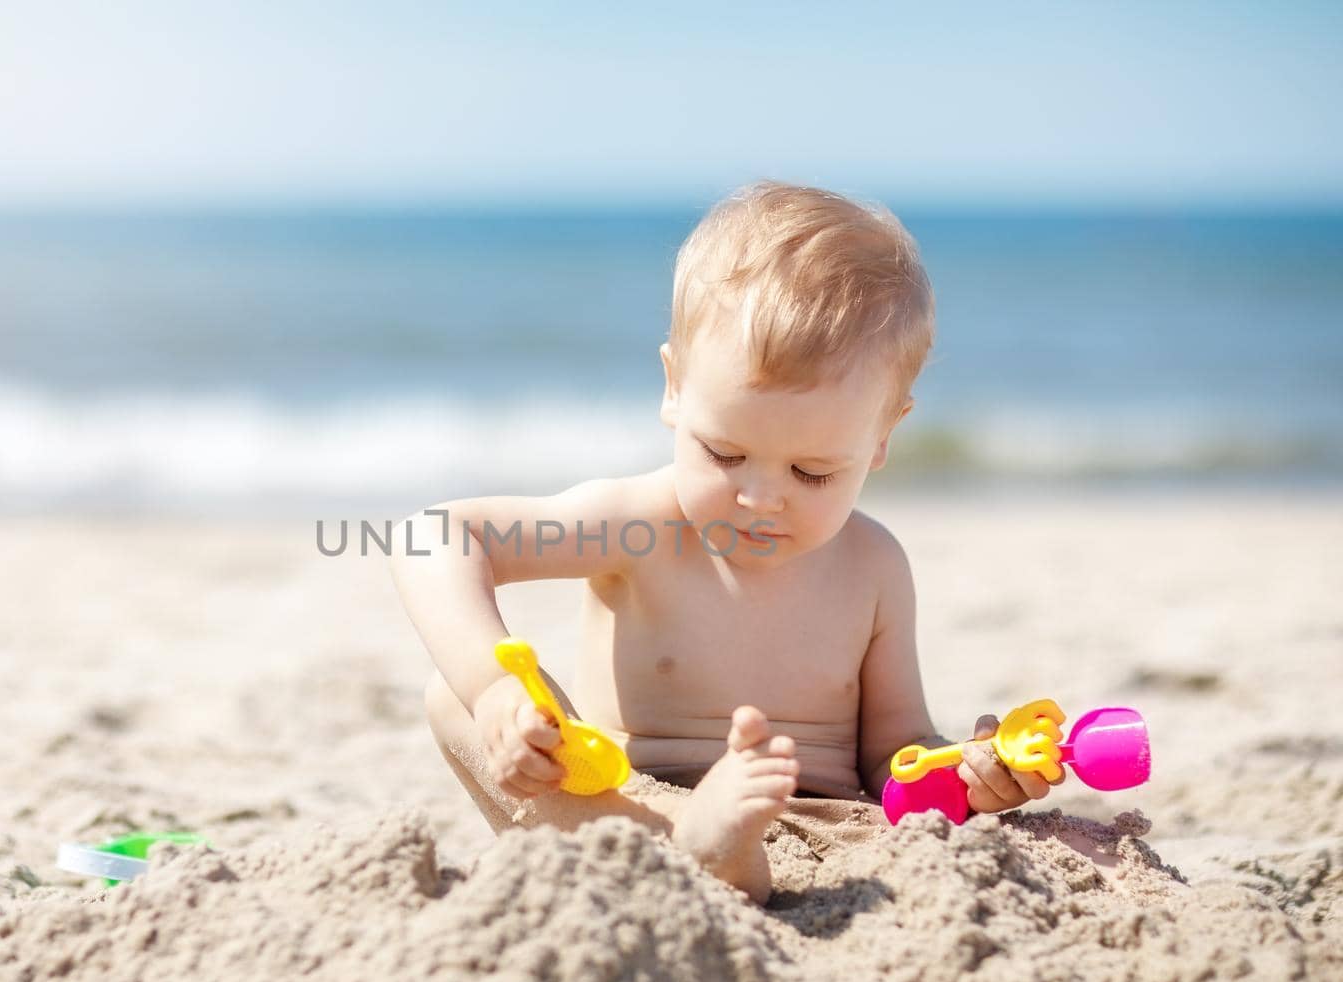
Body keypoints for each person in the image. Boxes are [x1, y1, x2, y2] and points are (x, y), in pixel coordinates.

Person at [389, 182, 1048, 904]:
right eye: (726, 455)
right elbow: (437, 532)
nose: (761, 497)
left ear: (883, 436)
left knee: (784, 818)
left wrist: (965, 776)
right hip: (628, 809)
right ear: (674, 388)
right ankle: (694, 843)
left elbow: (893, 758)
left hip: (825, 832)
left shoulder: (874, 565)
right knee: (449, 696)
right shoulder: (638, 525)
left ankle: (719, 850)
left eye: (812, 471)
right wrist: (493, 694)